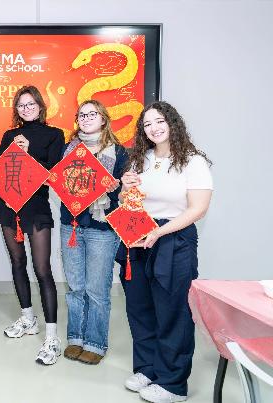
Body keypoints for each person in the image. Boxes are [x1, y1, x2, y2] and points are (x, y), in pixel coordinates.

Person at [119, 101, 212, 403]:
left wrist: (159, 232)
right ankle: (148, 368)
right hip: (138, 236)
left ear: (172, 123)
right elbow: (127, 201)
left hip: (173, 238)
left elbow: (198, 209)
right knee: (140, 308)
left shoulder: (193, 161)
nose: (154, 128)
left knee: (173, 311)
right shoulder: (140, 158)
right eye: (147, 124)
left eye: (159, 121)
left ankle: (173, 384)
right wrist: (125, 188)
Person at [0, 85, 64, 365]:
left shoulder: (54, 135)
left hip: (36, 207)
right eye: (21, 105)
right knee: (17, 262)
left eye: (31, 104)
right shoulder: (9, 135)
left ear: (40, 106)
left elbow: (53, 173)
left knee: (42, 269)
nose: (26, 109)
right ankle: (27, 318)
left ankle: (52, 336)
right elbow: (0, 170)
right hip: (9, 206)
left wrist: (28, 152)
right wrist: (13, 151)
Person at [59, 100, 127, 365]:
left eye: (92, 114)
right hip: (71, 225)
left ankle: (96, 343)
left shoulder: (119, 153)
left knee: (97, 289)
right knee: (76, 286)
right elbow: (62, 184)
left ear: (103, 119)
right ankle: (76, 337)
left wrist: (116, 187)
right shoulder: (69, 149)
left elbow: (128, 193)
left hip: (103, 228)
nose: (86, 118)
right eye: (81, 115)